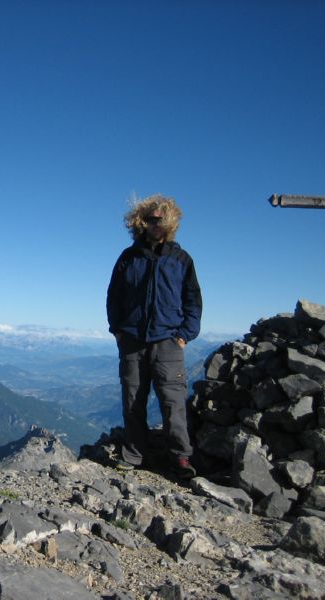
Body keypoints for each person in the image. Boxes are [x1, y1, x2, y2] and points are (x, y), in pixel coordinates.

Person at [106, 194, 202, 479]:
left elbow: (193, 300)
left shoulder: (181, 260)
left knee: (172, 402)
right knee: (133, 399)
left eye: (161, 220)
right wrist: (119, 331)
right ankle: (134, 455)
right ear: (141, 222)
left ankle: (181, 457)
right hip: (133, 340)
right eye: (150, 219)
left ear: (170, 222)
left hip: (168, 342)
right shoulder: (129, 258)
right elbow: (114, 296)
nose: (155, 225)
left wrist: (185, 335)